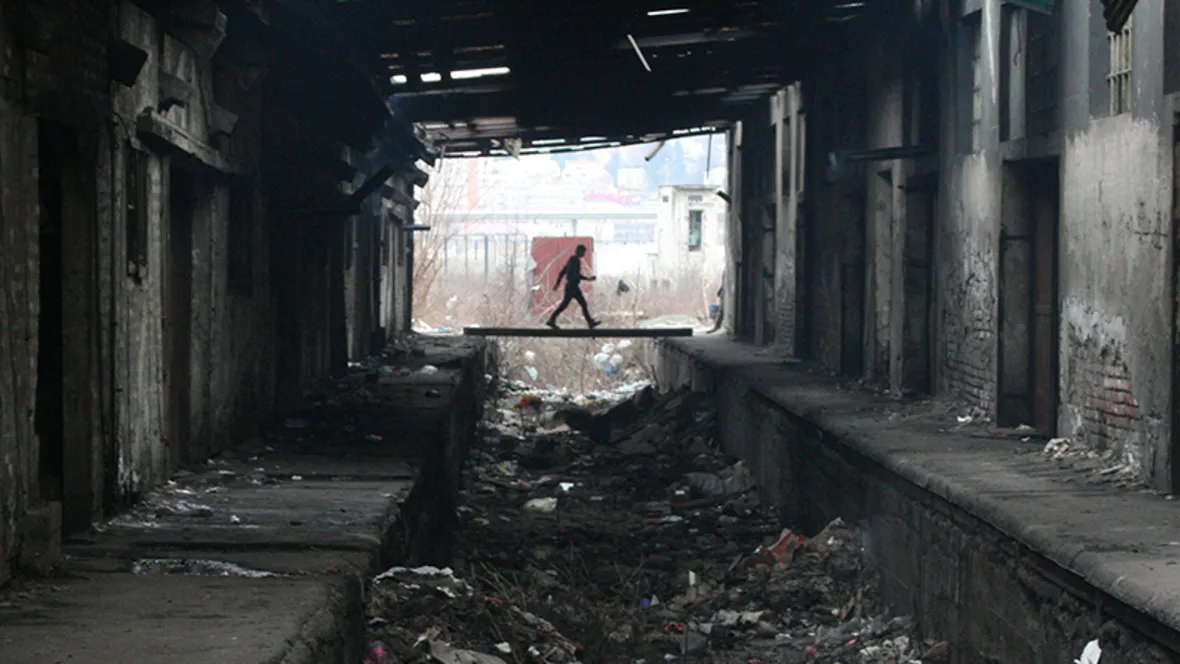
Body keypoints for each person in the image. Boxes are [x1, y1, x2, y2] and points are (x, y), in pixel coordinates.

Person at [546, 244, 601, 329]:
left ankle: (590, 322)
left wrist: (557, 284)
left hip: (572, 286)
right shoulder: (575, 260)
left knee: (579, 304)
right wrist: (588, 278)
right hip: (572, 287)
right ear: (579, 251)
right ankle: (551, 320)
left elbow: (562, 272)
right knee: (571, 304)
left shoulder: (571, 260)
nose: (583, 254)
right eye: (583, 252)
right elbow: (575, 275)